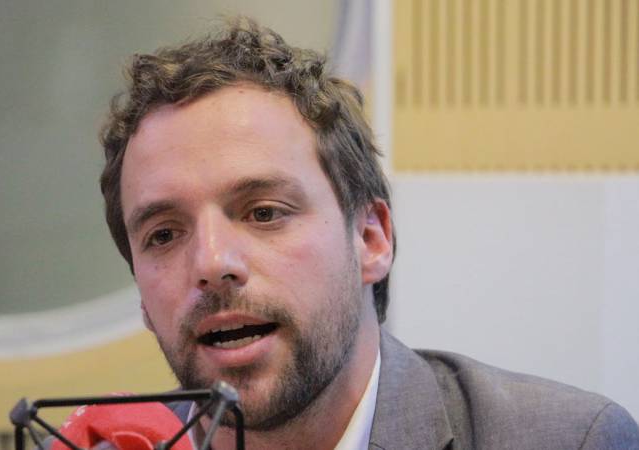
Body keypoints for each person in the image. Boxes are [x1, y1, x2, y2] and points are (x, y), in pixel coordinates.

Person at [96, 17, 639, 450]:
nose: (212, 263)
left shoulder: (569, 439)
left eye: (264, 213)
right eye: (163, 235)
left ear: (372, 239)